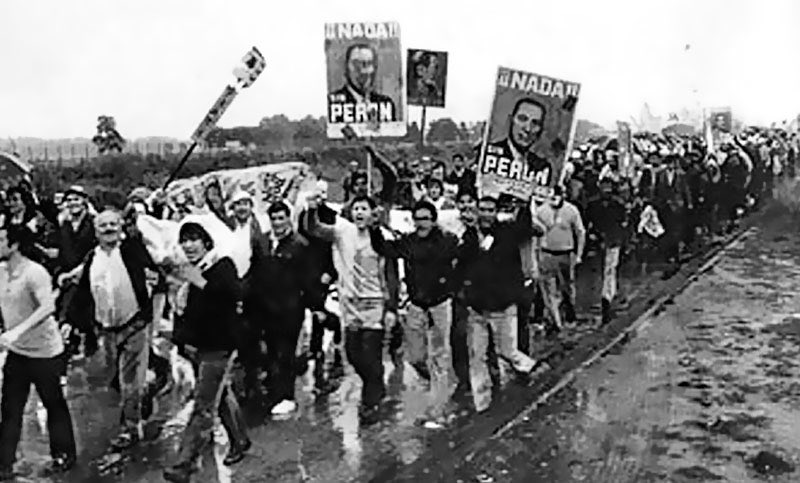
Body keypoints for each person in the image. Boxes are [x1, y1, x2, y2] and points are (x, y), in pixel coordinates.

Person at [63, 209, 159, 452]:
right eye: (103, 225)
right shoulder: (92, 258)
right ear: (96, 232)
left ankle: (131, 428)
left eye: (113, 224)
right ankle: (153, 382)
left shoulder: (132, 250)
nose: (108, 229)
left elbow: (155, 272)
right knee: (114, 380)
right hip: (106, 329)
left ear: (120, 227)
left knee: (130, 382)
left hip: (134, 325)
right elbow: (83, 292)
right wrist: (69, 321)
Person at [164, 222, 250, 483]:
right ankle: (240, 440)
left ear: (206, 242)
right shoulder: (187, 273)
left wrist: (199, 281)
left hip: (219, 346)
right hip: (197, 348)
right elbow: (184, 313)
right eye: (184, 240)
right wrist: (180, 341)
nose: (188, 245)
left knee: (203, 406)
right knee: (219, 394)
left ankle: (185, 464)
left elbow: (231, 294)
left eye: (194, 239)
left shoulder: (222, 266)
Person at [305, 194, 399, 422]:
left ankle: (371, 402)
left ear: (372, 213)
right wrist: (311, 209)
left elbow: (391, 274)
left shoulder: (381, 237)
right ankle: (375, 385)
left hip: (374, 304)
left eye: (364, 209)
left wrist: (391, 308)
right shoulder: (342, 231)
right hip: (349, 307)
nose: (359, 213)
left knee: (371, 355)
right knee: (353, 356)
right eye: (356, 208)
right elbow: (314, 229)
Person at [370, 200, 459, 427]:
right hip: (416, 305)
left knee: (439, 356)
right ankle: (439, 386)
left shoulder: (447, 240)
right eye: (418, 218)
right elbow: (384, 248)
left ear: (433, 219)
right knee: (415, 357)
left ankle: (437, 410)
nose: (422, 223)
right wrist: (374, 227)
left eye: (426, 218)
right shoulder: (408, 242)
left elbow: (458, 260)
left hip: (440, 303)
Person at [0, 225, 77, 480]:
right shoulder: (0, 272)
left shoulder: (35, 273)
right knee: (10, 407)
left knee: (53, 403)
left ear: (14, 245)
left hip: (45, 352)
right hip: (17, 352)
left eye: (0, 239)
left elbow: (47, 307)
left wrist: (17, 331)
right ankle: (4, 461)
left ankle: (64, 454)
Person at [457, 195, 545, 412]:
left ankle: (532, 368)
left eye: (490, 210)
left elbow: (526, 229)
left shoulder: (507, 232)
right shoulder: (469, 237)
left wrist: (524, 204)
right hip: (477, 308)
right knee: (477, 356)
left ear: (496, 212)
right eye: (482, 209)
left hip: (503, 306)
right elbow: (462, 266)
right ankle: (482, 404)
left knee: (507, 351)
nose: (486, 214)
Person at [248, 201, 312, 416]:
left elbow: (306, 279)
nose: (277, 223)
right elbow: (255, 272)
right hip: (265, 308)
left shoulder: (299, 245)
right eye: (274, 218)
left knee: (286, 353)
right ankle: (275, 392)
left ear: (288, 218)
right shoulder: (262, 242)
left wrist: (311, 305)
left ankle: (286, 395)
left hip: (290, 309)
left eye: (281, 218)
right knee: (272, 352)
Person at [535, 186, 586, 329]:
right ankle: (554, 320)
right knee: (547, 288)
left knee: (567, 287)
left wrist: (579, 254)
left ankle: (570, 313)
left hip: (565, 254)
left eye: (556, 197)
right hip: (547, 253)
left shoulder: (571, 210)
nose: (554, 200)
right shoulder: (541, 211)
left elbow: (580, 232)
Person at [483, 98, 553, 191]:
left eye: (535, 123)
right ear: (511, 120)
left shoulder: (542, 167)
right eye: (523, 119)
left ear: (541, 129)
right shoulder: (488, 153)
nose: (528, 129)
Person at [328, 43, 397, 125]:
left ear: (374, 68)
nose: (362, 71)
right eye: (356, 64)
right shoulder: (333, 103)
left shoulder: (385, 103)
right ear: (346, 67)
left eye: (368, 63)